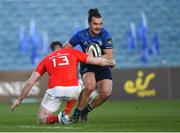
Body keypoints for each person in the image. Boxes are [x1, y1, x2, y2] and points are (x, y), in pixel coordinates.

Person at [11, 41, 115, 125]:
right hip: (74, 91)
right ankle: (66, 112)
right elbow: (98, 61)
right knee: (82, 83)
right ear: (63, 47)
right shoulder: (73, 52)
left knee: (41, 120)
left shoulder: (46, 59)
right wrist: (111, 62)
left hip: (56, 91)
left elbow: (30, 82)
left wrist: (20, 99)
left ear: (52, 50)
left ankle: (59, 117)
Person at [64, 8, 114, 123]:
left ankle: (86, 111)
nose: (98, 26)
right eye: (95, 24)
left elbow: (109, 55)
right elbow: (66, 48)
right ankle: (76, 114)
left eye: (100, 24)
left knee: (106, 93)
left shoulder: (105, 34)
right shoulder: (81, 34)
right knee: (90, 86)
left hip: (102, 65)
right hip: (88, 65)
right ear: (89, 24)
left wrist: (95, 58)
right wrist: (81, 56)